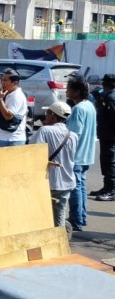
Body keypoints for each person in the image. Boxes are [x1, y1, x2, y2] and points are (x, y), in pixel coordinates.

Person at [29, 102, 78, 230]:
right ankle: (60, 241)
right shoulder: (73, 136)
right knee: (59, 217)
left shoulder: (45, 130)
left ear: (52, 115)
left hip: (49, 181)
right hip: (66, 182)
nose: (45, 116)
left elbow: (32, 150)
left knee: (41, 217)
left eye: (47, 113)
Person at [66, 76, 96, 229]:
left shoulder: (78, 109)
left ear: (76, 91)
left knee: (75, 187)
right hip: (87, 153)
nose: (67, 91)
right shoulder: (89, 105)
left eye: (69, 88)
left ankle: (76, 220)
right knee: (81, 186)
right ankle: (81, 217)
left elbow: (74, 134)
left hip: (77, 155)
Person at [0, 69, 28, 147]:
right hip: (3, 137)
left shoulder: (17, 96)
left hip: (13, 140)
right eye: (2, 80)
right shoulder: (6, 93)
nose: (2, 83)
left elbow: (8, 116)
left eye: (5, 80)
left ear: (15, 83)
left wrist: (1, 99)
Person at [93, 74, 115, 202]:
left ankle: (111, 189)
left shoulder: (111, 97)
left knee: (109, 161)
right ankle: (106, 186)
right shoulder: (108, 96)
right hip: (107, 134)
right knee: (106, 161)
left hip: (110, 135)